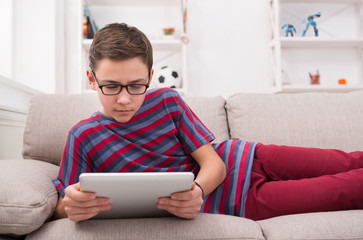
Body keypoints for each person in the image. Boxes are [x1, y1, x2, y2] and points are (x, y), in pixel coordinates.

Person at [52, 23, 363, 222]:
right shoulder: (83, 136)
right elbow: (60, 206)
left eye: (136, 85)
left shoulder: (166, 101)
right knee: (351, 189)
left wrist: (196, 190)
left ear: (149, 76)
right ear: (92, 80)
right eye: (111, 86)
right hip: (242, 200)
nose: (124, 99)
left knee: (349, 161)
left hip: (251, 156)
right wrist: (72, 206)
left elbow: (213, 162)